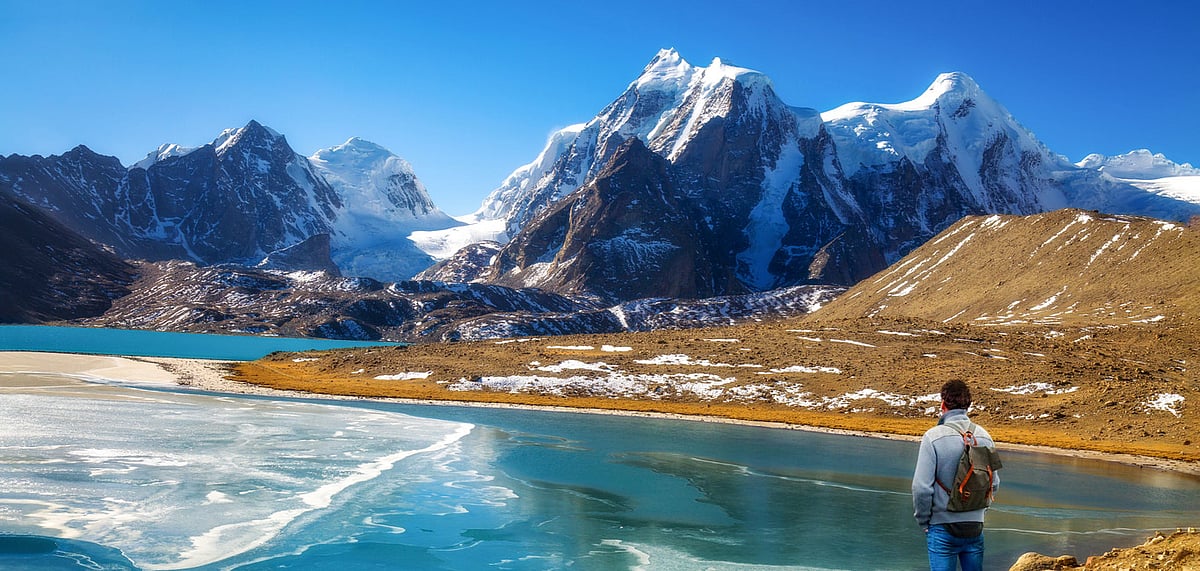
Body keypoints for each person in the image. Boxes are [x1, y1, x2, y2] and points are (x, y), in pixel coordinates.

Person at [912, 379, 999, 571]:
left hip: (942, 526)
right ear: (968, 405)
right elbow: (994, 484)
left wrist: (924, 521)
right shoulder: (985, 436)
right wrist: (978, 513)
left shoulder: (933, 437)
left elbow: (921, 488)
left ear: (943, 404)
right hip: (975, 526)